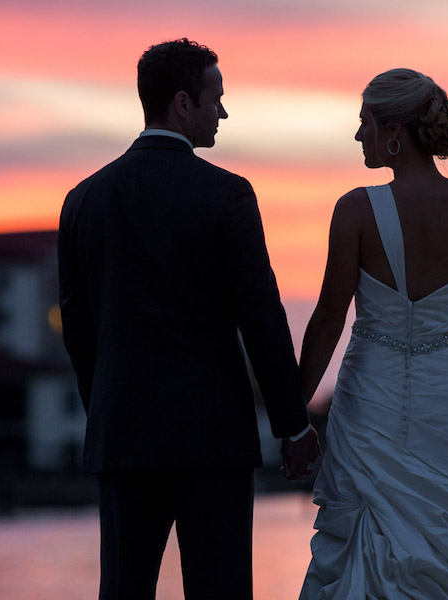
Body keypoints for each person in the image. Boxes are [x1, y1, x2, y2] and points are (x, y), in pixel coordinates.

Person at [58, 38, 320, 600]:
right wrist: (293, 427)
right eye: (215, 98)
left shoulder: (83, 200)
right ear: (182, 104)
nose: (222, 112)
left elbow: (79, 335)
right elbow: (261, 316)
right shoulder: (226, 195)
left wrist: (106, 410)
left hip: (122, 436)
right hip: (212, 440)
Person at [298, 68, 448, 599]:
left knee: (359, 544)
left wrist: (291, 416)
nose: (359, 136)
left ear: (394, 131)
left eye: (365, 123)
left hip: (367, 399)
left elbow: (329, 319)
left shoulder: (354, 210)